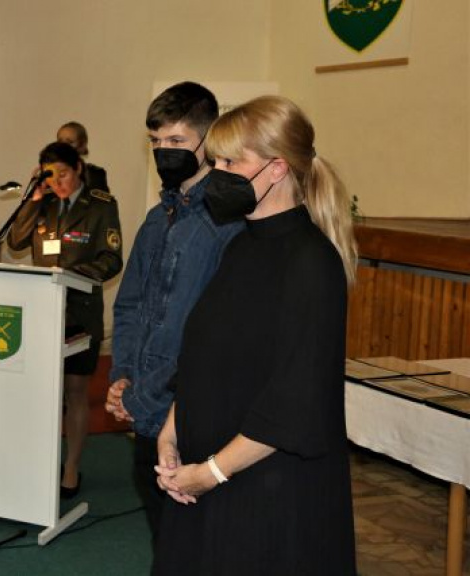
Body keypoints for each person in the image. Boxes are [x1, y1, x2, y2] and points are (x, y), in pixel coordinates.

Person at [153, 95, 358, 575]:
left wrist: (212, 472)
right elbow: (205, 355)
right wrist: (170, 433)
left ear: (276, 169)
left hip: (268, 492)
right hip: (209, 474)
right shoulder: (240, 247)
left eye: (230, 162)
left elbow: (296, 399)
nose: (217, 174)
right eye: (215, 161)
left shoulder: (312, 263)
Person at [103, 81, 243, 542]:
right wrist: (123, 376)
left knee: (197, 539)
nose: (164, 151)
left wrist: (146, 394)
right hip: (144, 406)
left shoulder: (227, 224)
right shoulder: (155, 220)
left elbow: (215, 335)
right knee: (161, 532)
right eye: (155, 141)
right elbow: (129, 306)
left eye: (177, 140)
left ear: (208, 142)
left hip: (194, 413)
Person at [8, 141, 123, 496]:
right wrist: (33, 199)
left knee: (74, 391)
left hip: (79, 313)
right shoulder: (43, 203)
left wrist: (71, 275)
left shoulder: (101, 205)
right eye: (50, 175)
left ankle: (70, 467)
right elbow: (15, 242)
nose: (57, 182)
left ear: (79, 169)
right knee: (42, 391)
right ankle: (41, 460)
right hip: (43, 313)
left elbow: (111, 259)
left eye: (63, 174)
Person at [57, 121, 109, 191]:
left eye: (70, 142)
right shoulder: (49, 174)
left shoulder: (94, 175)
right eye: (60, 142)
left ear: (82, 145)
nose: (63, 146)